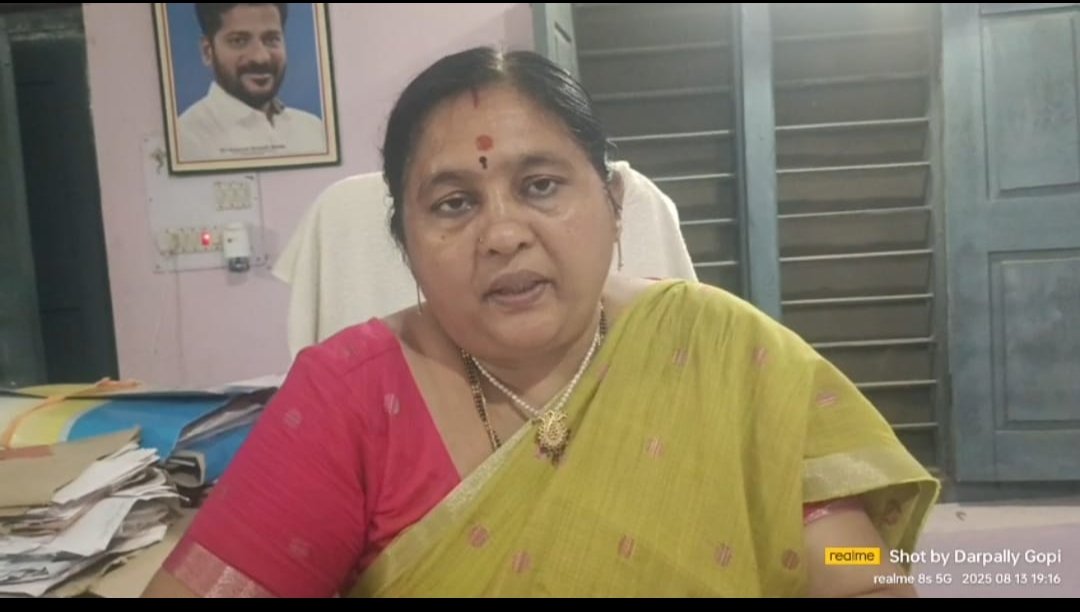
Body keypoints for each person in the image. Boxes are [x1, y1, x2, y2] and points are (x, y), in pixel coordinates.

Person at [142, 46, 940, 598]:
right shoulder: (346, 397)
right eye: (454, 203)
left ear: (614, 205)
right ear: (406, 244)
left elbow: (853, 564)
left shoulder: (724, 349)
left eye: (541, 186)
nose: (502, 234)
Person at [177, 3, 327, 162]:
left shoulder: (313, 129)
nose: (260, 58)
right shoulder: (186, 140)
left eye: (271, 39)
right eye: (238, 41)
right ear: (208, 51)